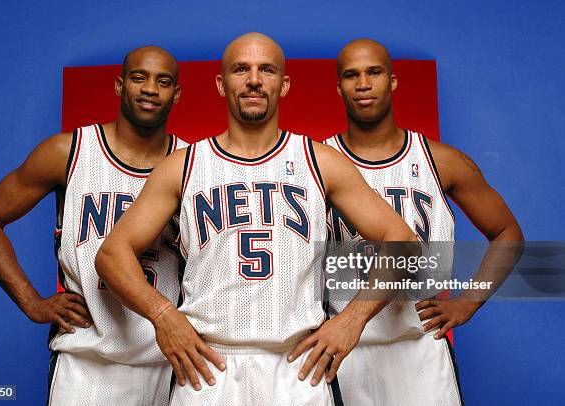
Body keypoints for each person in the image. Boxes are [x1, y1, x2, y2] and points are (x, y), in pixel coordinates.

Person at [95, 32, 419, 406]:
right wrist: (163, 315)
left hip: (298, 366)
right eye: (240, 69)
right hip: (206, 366)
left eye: (266, 69)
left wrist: (353, 319)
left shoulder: (320, 161)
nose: (253, 80)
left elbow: (404, 240)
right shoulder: (183, 166)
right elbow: (110, 255)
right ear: (221, 84)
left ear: (284, 84)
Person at [0, 46, 187, 405]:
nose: (149, 89)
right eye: (138, 77)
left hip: (166, 360)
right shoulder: (69, 152)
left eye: (162, 81)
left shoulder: (190, 164)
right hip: (85, 361)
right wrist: (33, 303)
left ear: (176, 94)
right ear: (119, 86)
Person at [325, 38, 524, 405]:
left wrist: (468, 302)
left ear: (393, 81)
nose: (364, 84)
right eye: (352, 75)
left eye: (374, 72)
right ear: (339, 87)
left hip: (419, 349)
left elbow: (507, 233)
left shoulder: (441, 161)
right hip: (346, 350)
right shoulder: (319, 165)